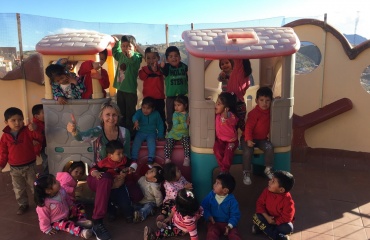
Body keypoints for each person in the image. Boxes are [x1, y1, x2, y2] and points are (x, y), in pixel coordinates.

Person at [66, 101, 134, 240]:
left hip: (117, 175)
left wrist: (123, 174)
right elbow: (81, 137)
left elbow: (127, 156)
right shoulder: (97, 131)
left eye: (114, 115)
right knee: (106, 178)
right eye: (107, 115)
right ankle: (97, 222)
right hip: (97, 175)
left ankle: (112, 206)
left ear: (118, 116)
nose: (111, 118)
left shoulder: (124, 132)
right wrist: (74, 130)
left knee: (128, 208)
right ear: (102, 116)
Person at [0, 107, 43, 215]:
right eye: (13, 120)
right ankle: (23, 204)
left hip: (30, 166)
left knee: (34, 186)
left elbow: (39, 139)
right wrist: (1, 165)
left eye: (20, 119)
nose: (17, 123)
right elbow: (3, 152)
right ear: (6, 122)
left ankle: (39, 203)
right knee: (18, 189)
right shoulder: (5, 136)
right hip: (14, 169)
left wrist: (36, 129)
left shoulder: (28, 131)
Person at [34, 174, 93, 239]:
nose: (58, 182)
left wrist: (71, 205)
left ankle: (82, 220)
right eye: (54, 182)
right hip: (57, 221)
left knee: (79, 206)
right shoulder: (44, 204)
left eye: (56, 180)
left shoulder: (61, 190)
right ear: (48, 190)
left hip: (67, 212)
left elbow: (67, 198)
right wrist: (46, 228)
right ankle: (82, 232)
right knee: (69, 225)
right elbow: (43, 218)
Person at [89, 140, 134, 223]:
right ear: (110, 155)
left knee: (125, 202)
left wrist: (131, 168)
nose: (121, 155)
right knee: (108, 201)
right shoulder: (104, 163)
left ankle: (128, 215)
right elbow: (93, 168)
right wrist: (95, 173)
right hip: (109, 186)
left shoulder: (124, 160)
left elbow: (133, 163)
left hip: (120, 185)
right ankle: (111, 214)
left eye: (122, 153)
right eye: (118, 154)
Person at [112, 35, 143, 136]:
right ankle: (122, 133)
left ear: (134, 47)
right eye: (124, 46)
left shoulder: (137, 57)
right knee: (121, 113)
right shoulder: (121, 55)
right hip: (120, 90)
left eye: (129, 46)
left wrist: (130, 55)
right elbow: (115, 53)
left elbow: (132, 61)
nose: (126, 48)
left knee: (130, 114)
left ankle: (131, 134)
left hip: (130, 91)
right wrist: (117, 43)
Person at [242, 86, 274, 185]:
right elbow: (248, 128)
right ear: (256, 101)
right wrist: (248, 139)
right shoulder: (254, 113)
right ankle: (246, 173)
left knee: (269, 147)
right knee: (248, 151)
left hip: (261, 139)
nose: (265, 103)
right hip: (247, 138)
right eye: (262, 100)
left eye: (268, 100)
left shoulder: (272, 112)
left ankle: (268, 169)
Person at [253, 170, 295, 240]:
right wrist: (267, 217)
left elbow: (287, 217)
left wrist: (275, 221)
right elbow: (259, 204)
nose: (269, 182)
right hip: (267, 217)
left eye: (273, 181)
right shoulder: (266, 191)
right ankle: (276, 236)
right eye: (271, 179)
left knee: (288, 228)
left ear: (281, 190)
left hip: (278, 223)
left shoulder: (288, 201)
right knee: (256, 217)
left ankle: (263, 228)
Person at [201, 174, 242, 240]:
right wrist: (208, 216)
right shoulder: (211, 195)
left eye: (217, 183)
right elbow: (204, 206)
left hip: (228, 223)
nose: (214, 185)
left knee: (234, 234)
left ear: (225, 190)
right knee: (212, 233)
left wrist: (230, 225)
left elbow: (235, 215)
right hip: (214, 222)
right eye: (215, 182)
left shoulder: (232, 201)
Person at [156, 162, 193, 228]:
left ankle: (167, 223)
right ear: (172, 176)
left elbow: (185, 183)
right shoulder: (168, 184)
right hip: (171, 201)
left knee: (178, 211)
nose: (180, 171)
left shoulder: (181, 178)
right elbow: (175, 195)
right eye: (177, 171)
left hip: (179, 202)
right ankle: (162, 216)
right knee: (167, 205)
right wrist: (184, 188)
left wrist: (189, 185)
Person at [160, 46, 188, 131]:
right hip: (171, 97)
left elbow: (189, 76)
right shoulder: (167, 67)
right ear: (167, 59)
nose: (174, 58)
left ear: (180, 57)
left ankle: (184, 131)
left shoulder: (184, 67)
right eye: (171, 56)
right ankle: (171, 131)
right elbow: (163, 71)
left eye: (176, 56)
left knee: (184, 114)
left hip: (183, 97)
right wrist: (162, 66)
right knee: (170, 116)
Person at [138, 47, 166, 132]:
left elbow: (163, 72)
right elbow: (141, 76)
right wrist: (150, 69)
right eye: (148, 58)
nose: (151, 60)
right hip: (148, 99)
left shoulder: (160, 68)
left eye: (154, 58)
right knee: (147, 118)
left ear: (158, 58)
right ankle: (148, 132)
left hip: (159, 98)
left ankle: (162, 134)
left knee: (160, 117)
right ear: (145, 59)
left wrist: (156, 69)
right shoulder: (144, 69)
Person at [132, 96, 164, 166]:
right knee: (136, 144)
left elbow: (160, 125)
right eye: (144, 107)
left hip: (151, 133)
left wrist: (160, 135)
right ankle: (134, 159)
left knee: (151, 143)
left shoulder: (156, 114)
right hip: (140, 133)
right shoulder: (139, 112)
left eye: (148, 108)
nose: (145, 110)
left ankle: (151, 158)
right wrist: (135, 121)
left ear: (153, 109)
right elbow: (135, 117)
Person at [227, 59, 252, 142]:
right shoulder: (246, 75)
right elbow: (247, 85)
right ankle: (247, 140)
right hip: (241, 103)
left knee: (232, 125)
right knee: (241, 125)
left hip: (233, 103)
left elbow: (237, 56)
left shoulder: (238, 67)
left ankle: (234, 142)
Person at [213, 92, 239, 174]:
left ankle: (224, 170)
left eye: (219, 104)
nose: (216, 105)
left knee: (228, 153)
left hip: (231, 141)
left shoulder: (230, 115)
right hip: (220, 140)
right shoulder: (217, 115)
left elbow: (234, 121)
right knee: (216, 149)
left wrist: (227, 116)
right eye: (216, 102)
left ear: (226, 108)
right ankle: (223, 169)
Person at [164, 95, 190, 166]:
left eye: (179, 105)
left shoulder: (188, 113)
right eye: (175, 105)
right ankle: (167, 158)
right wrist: (186, 124)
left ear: (185, 105)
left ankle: (187, 158)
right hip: (174, 133)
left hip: (184, 133)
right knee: (168, 143)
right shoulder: (175, 114)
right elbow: (175, 126)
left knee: (186, 143)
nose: (176, 107)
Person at [32, 104, 48, 174]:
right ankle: (46, 176)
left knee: (48, 160)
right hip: (42, 147)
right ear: (36, 116)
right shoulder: (33, 125)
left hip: (47, 145)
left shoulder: (44, 122)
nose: (47, 113)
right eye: (44, 112)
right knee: (46, 161)